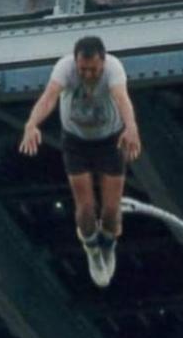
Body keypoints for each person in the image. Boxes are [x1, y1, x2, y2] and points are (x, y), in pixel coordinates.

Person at [19, 35, 141, 287]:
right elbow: (49, 97)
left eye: (93, 69)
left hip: (109, 140)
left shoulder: (114, 70)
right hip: (76, 141)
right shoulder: (65, 68)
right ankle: (92, 250)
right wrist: (31, 123)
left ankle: (108, 245)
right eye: (82, 69)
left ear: (103, 62)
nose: (87, 74)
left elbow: (122, 98)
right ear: (76, 62)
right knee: (85, 207)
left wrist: (131, 128)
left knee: (110, 210)